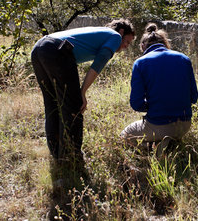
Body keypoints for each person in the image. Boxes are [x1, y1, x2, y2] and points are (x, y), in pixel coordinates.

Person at [31, 19, 135, 162]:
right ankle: (71, 158)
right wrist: (82, 92)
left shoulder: (99, 33)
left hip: (39, 48)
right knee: (74, 106)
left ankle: (57, 155)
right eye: (127, 42)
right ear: (122, 32)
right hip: (57, 50)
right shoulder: (115, 36)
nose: (124, 47)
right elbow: (99, 63)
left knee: (53, 104)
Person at [121, 23, 198, 150]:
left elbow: (136, 104)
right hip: (184, 126)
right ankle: (170, 143)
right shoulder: (184, 59)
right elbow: (194, 97)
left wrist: (155, 105)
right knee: (168, 132)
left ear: (142, 46)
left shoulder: (140, 63)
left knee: (124, 136)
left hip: (158, 124)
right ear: (165, 43)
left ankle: (155, 147)